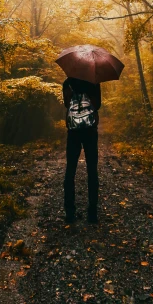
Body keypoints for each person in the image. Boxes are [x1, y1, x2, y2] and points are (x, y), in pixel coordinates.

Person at [62, 76, 101, 224]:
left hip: (73, 132)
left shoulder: (67, 83)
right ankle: (92, 213)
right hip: (90, 131)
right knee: (92, 170)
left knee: (70, 170)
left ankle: (70, 213)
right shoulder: (94, 81)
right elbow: (97, 105)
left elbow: (67, 105)